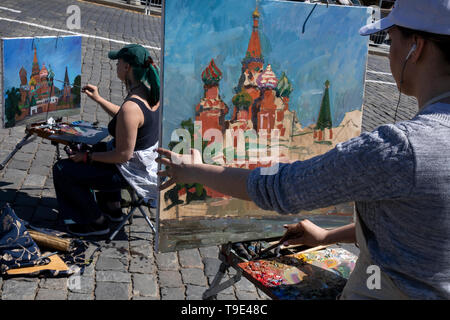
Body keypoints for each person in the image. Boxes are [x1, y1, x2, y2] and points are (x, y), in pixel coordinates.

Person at [156, 0, 450, 299]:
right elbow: (404, 221)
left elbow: (278, 187)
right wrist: (326, 236)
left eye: (391, 38)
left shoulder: (398, 149)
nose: (390, 50)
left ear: (417, 47)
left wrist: (192, 169)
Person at [53, 44, 160, 237]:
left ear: (127, 67)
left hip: (128, 172)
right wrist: (99, 99)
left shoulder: (132, 106)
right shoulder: (150, 91)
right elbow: (127, 119)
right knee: (97, 146)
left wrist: (87, 157)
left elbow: (122, 155)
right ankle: (113, 207)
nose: (116, 66)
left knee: (62, 170)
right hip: (142, 165)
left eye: (118, 62)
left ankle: (94, 222)